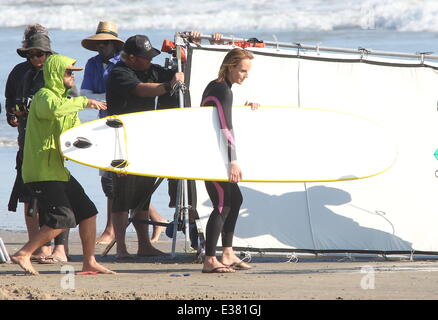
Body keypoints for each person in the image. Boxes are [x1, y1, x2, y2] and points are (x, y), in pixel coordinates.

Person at [11, 54, 115, 276]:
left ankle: (89, 262)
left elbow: (75, 135)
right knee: (64, 218)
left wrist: (107, 155)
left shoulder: (67, 102)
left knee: (88, 211)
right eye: (68, 73)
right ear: (56, 74)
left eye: (73, 74)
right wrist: (84, 101)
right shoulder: (44, 96)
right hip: (41, 170)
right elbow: (55, 110)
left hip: (57, 169)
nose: (73, 77)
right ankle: (24, 253)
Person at [106, 34, 184, 259]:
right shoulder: (119, 73)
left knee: (143, 194)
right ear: (130, 57)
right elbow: (141, 90)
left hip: (146, 139)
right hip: (121, 140)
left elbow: (177, 74)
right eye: (144, 57)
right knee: (122, 197)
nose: (149, 61)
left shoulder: (150, 68)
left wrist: (182, 63)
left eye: (150, 57)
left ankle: (144, 245)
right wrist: (168, 84)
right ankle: (121, 248)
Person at [5, 24, 67, 263]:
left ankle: (59, 249)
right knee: (29, 198)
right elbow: (10, 100)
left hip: (53, 145)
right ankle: (41, 247)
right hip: (27, 144)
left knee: (58, 198)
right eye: (30, 54)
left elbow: (66, 105)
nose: (35, 58)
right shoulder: (19, 72)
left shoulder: (58, 70)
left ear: (49, 53)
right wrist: (13, 114)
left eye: (39, 54)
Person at [200, 48, 258, 273]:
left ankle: (227, 253)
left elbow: (219, 120)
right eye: (242, 70)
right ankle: (209, 259)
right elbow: (225, 127)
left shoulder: (219, 87)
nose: (246, 75)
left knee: (235, 199)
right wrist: (233, 160)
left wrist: (246, 110)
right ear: (230, 66)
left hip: (216, 155)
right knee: (223, 204)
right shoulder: (223, 90)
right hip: (214, 158)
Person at [80, 21, 124, 245]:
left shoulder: (125, 61)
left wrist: (101, 98)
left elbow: (126, 90)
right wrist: (103, 98)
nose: (101, 47)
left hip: (125, 123)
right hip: (103, 124)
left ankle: (111, 228)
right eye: (99, 43)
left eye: (105, 43)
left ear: (114, 44)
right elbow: (85, 93)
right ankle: (112, 228)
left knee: (118, 177)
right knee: (109, 178)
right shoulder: (92, 63)